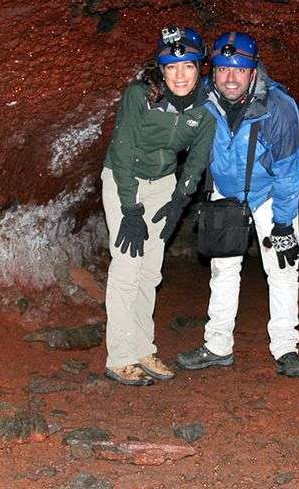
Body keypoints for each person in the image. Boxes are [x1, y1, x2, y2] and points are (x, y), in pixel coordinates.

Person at [176, 31, 299, 377]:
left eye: (239, 70)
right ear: (213, 72)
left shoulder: (277, 109)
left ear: (253, 71)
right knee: (223, 270)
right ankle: (218, 345)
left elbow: (289, 170)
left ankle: (286, 348)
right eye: (222, 70)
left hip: (268, 195)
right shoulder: (203, 97)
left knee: (282, 269)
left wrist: (282, 223)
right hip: (226, 192)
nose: (230, 78)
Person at [101, 26, 217, 386]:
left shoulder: (206, 107)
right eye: (171, 67)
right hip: (125, 179)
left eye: (188, 66)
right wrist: (130, 209)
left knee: (150, 271)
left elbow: (198, 157)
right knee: (126, 267)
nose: (179, 75)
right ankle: (119, 356)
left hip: (164, 183)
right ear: (161, 70)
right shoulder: (140, 95)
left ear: (200, 68)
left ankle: (142, 348)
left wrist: (181, 197)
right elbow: (122, 152)